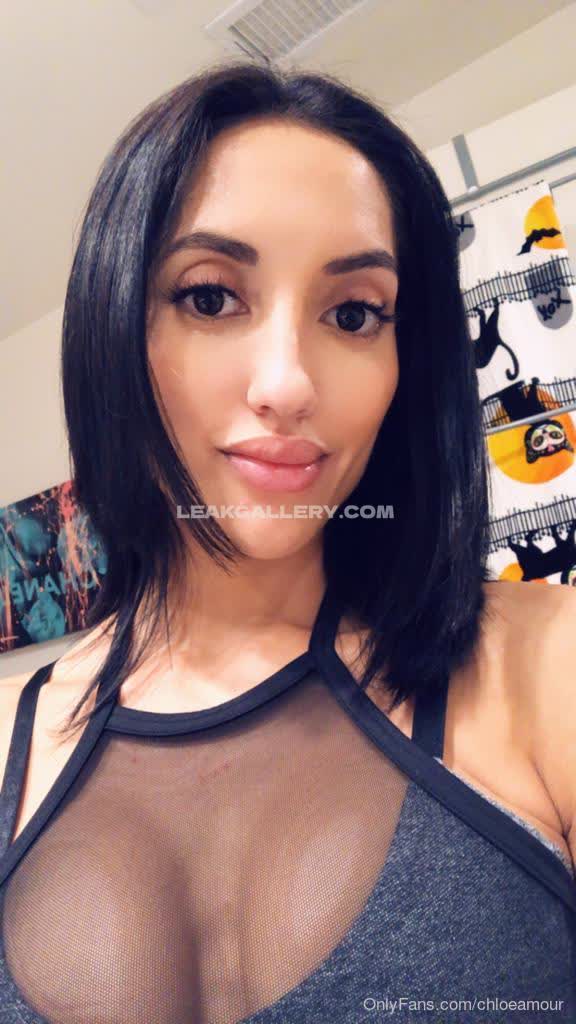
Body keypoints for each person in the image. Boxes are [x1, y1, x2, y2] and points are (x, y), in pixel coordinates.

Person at [0, 60, 575, 1024]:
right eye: (211, 297)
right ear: (112, 328)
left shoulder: (546, 663)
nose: (288, 384)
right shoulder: (13, 740)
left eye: (353, 315)